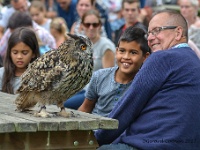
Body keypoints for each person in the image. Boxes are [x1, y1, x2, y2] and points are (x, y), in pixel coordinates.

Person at [95, 9, 200, 150]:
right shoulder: (195, 61)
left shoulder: (162, 57)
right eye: (149, 33)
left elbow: (128, 108)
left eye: (157, 30)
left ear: (178, 33)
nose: (150, 38)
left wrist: (96, 140)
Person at [78, 27, 150, 117]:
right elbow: (85, 108)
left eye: (133, 52)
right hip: (93, 128)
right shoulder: (99, 76)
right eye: (122, 51)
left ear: (145, 57)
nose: (126, 57)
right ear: (116, 52)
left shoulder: (144, 85)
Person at [64, 9, 116, 109]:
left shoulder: (106, 46)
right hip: (77, 87)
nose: (91, 28)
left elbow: (108, 79)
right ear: (82, 26)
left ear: (100, 26)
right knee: (53, 102)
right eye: (87, 24)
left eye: (95, 24)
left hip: (92, 92)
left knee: (65, 105)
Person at [0, 27, 40, 94]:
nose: (19, 57)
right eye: (15, 52)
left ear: (33, 53)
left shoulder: (39, 77)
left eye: (24, 53)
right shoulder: (2, 74)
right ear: (10, 52)